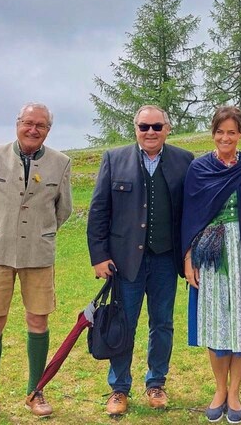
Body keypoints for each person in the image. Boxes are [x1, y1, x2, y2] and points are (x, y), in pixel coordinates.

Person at [0, 102, 72, 424]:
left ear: (48, 130)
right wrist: (2, 230)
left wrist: (38, 232)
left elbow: (62, 210)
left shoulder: (61, 163)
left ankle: (35, 391)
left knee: (38, 322)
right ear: (17, 123)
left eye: (40, 125)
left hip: (38, 255)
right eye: (28, 122)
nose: (33, 129)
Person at [86, 105, 194, 416]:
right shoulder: (114, 159)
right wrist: (99, 256)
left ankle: (156, 383)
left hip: (165, 259)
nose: (150, 132)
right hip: (124, 262)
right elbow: (99, 212)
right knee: (124, 324)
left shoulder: (184, 160)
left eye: (156, 127)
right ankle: (119, 388)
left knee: (162, 324)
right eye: (144, 127)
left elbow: (192, 210)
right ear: (135, 129)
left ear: (167, 129)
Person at [182, 105, 241, 424]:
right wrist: (188, 256)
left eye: (231, 132)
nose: (225, 137)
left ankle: (235, 391)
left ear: (240, 134)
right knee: (217, 324)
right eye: (220, 132)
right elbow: (189, 215)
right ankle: (219, 389)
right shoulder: (199, 168)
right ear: (213, 134)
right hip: (211, 255)